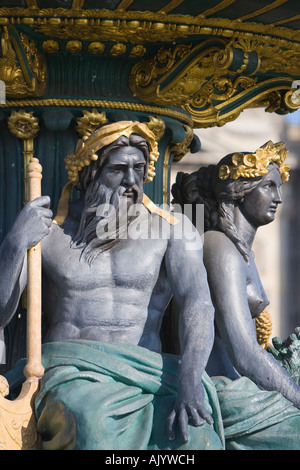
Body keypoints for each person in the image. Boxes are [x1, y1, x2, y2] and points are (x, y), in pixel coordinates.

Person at [0, 121, 224, 450]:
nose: (132, 181)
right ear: (91, 173)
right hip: (73, 372)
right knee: (93, 423)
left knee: (196, 437)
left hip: (148, 371)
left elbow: (199, 305)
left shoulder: (173, 227)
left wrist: (191, 380)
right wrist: (14, 245)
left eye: (139, 169)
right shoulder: (48, 232)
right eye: (118, 169)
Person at [172, 141, 300, 450]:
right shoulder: (220, 248)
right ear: (239, 191)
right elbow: (244, 353)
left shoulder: (241, 252)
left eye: (278, 187)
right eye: (268, 186)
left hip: (242, 387)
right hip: (223, 391)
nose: (279, 197)